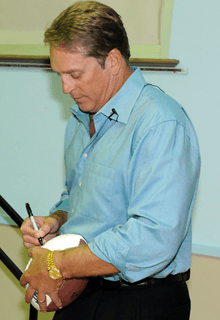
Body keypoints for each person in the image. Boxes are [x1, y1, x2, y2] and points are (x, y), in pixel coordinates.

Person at [20, 1, 201, 319]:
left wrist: (58, 261)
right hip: (83, 293)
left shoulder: (160, 123)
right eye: (59, 75)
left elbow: (154, 238)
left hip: (141, 302)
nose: (65, 88)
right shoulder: (80, 119)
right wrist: (57, 222)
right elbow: (77, 198)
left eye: (75, 74)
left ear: (114, 61)